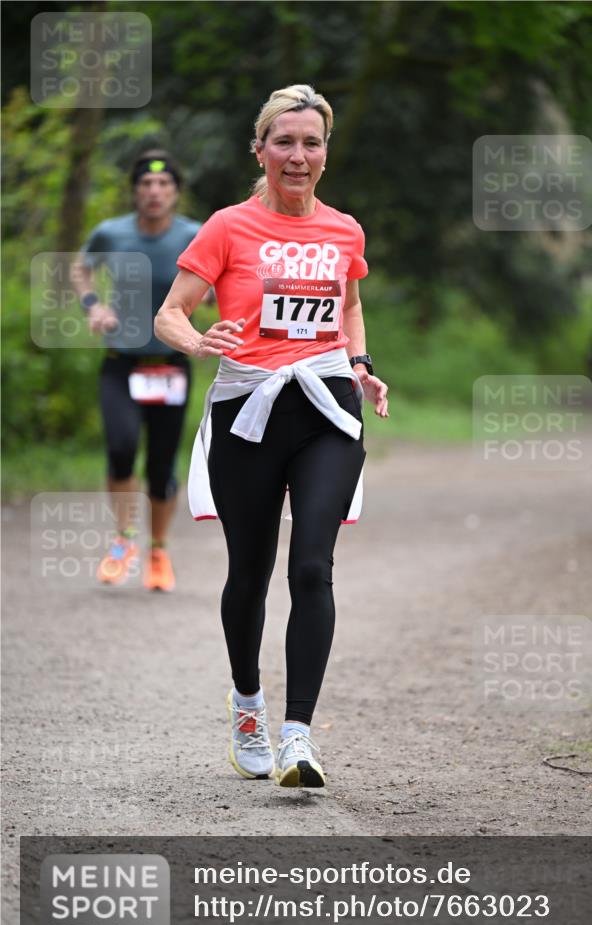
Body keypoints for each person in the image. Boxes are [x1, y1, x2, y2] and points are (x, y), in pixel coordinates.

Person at [155, 84, 389, 788]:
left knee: (312, 567)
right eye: (283, 142)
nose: (297, 154)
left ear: (325, 153)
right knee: (249, 573)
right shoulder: (228, 227)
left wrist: (359, 364)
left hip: (325, 408)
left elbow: (348, 307)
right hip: (247, 410)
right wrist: (198, 341)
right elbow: (171, 312)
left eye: (309, 142)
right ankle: (248, 706)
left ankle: (297, 737)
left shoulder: (344, 230)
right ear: (260, 150)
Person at [71, 150, 205, 591]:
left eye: (164, 185)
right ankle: (124, 539)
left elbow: (223, 277)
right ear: (135, 191)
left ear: (175, 191)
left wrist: (207, 302)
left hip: (170, 365)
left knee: (162, 465)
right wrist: (94, 306)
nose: (154, 192)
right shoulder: (111, 233)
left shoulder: (194, 234)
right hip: (121, 364)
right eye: (146, 185)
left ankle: (159, 550)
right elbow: (80, 269)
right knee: (123, 448)